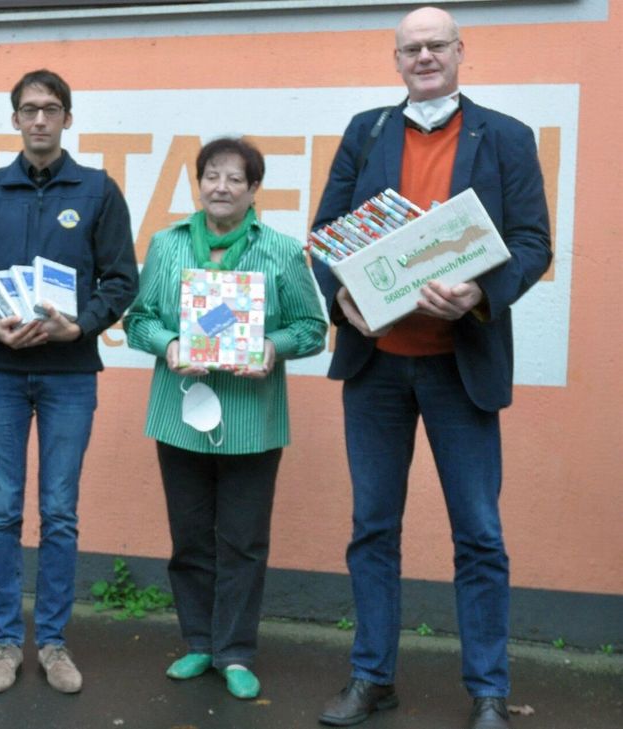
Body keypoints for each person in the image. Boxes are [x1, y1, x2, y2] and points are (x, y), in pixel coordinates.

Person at [310, 7, 552, 729]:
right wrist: (343, 295)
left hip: (461, 366)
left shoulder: (505, 136)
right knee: (372, 528)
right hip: (377, 364)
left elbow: (533, 242)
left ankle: (487, 692)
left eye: (435, 45)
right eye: (410, 48)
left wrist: (480, 291)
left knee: (479, 532)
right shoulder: (368, 132)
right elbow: (326, 237)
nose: (424, 56)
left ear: (459, 52)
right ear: (396, 59)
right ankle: (371, 677)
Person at [0, 69, 138, 694]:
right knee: (1, 514)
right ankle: (5, 641)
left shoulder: (100, 190)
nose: (39, 120)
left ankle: (52, 642)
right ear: (15, 119)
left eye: (51, 109)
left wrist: (78, 327)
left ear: (68, 119)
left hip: (68, 376)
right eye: (28, 110)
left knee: (59, 514)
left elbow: (121, 282)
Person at [123, 137, 326, 700]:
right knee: (189, 539)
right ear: (198, 182)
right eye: (212, 175)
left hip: (250, 421)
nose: (221, 187)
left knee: (242, 542)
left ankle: (235, 651)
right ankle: (198, 644)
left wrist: (272, 347)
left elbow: (313, 328)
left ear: (254, 189)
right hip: (178, 414)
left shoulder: (282, 251)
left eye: (235, 178)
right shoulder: (166, 246)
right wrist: (166, 344)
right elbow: (136, 320)